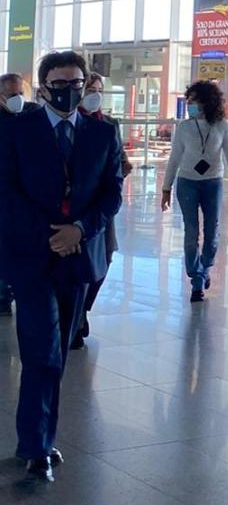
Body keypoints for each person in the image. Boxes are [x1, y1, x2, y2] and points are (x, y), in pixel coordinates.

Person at [0, 51, 122, 480]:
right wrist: (54, 234)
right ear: (43, 85)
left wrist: (81, 231)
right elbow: (7, 191)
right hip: (31, 256)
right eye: (59, 83)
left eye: (76, 83)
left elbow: (112, 193)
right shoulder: (17, 131)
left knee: (60, 354)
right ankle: (37, 445)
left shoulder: (103, 134)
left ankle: (40, 438)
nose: (68, 91)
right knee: (41, 352)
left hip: (78, 259)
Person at [161, 80, 228, 302]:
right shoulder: (184, 127)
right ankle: (196, 279)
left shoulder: (222, 125)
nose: (190, 106)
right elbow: (174, 157)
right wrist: (166, 188)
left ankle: (206, 268)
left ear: (207, 102)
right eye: (189, 102)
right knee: (191, 232)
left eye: (194, 101)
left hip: (212, 182)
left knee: (212, 232)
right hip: (187, 182)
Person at [74, 73, 132, 344]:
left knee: (105, 257)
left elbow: (119, 159)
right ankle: (74, 316)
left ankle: (83, 308)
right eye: (90, 89)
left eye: (99, 90)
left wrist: (122, 169)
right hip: (77, 205)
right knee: (79, 261)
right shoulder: (71, 123)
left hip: (103, 206)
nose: (95, 94)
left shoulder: (109, 124)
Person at [0, 71, 33, 315]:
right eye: (12, 95)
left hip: (24, 197)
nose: (17, 99)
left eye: (20, 94)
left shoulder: (31, 116)